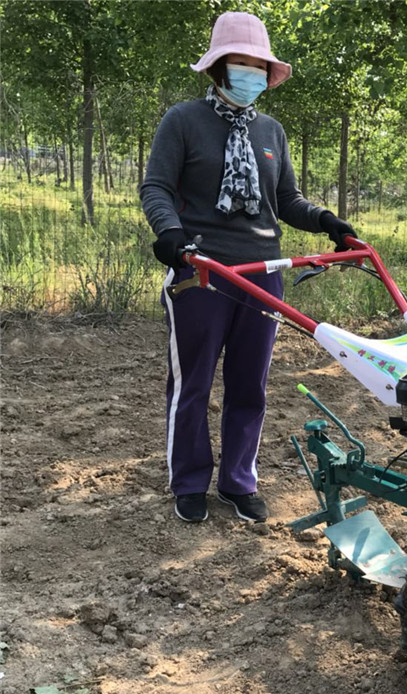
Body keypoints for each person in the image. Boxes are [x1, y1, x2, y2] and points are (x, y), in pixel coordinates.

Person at [140, 11, 356, 524]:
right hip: (202, 272)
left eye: (260, 66)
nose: (252, 73)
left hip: (263, 275)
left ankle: (239, 481)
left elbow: (286, 201)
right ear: (219, 67)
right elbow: (157, 188)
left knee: (249, 384)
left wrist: (328, 221)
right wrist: (170, 235)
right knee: (192, 382)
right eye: (243, 63)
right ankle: (189, 480)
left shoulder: (271, 131)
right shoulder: (183, 121)